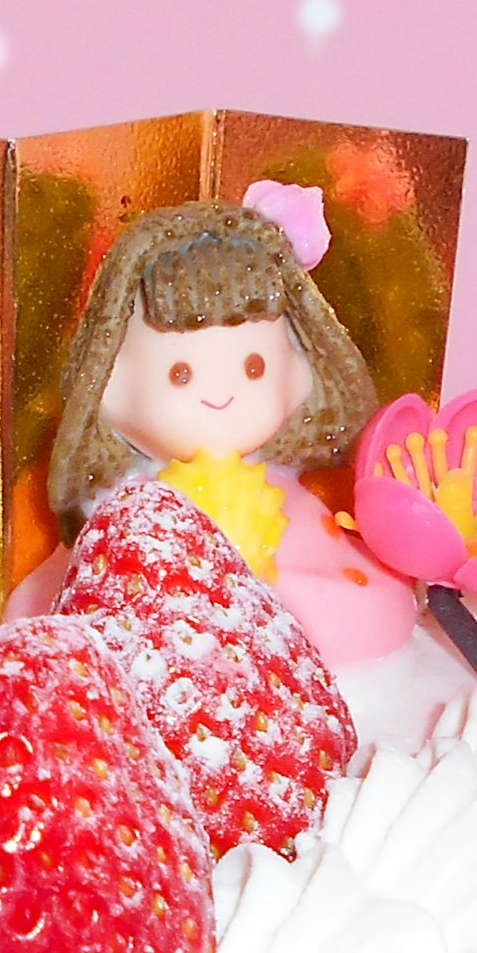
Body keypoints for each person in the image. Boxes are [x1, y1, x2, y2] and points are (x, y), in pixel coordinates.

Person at [36, 184, 412, 667]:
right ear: (109, 382)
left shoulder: (305, 492)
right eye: (180, 375)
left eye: (254, 367)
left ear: (297, 366)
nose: (220, 395)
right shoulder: (123, 510)